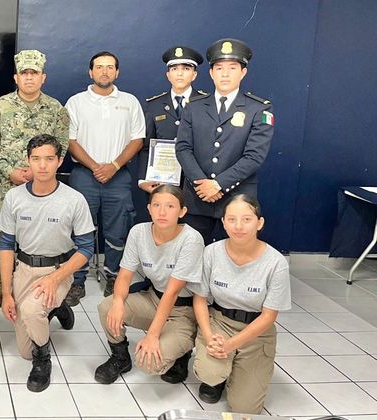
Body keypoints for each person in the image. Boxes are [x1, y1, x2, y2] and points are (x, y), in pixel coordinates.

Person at [0, 134, 94, 392]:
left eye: (49, 159)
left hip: (58, 270)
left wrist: (54, 279)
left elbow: (86, 248)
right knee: (23, 351)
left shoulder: (74, 200)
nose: (42, 166)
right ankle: (55, 310)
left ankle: (43, 360)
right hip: (25, 269)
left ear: (60, 161)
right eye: (36, 159)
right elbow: (6, 246)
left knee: (31, 313)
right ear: (28, 161)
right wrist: (7, 293)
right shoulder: (14, 198)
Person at [189, 194, 290, 414]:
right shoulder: (211, 252)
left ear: (259, 223)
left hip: (256, 331)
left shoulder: (276, 263)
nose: (238, 226)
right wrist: (208, 337)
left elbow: (269, 316)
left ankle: (236, 371)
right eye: (232, 219)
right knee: (211, 372)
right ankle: (217, 378)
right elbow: (199, 299)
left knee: (245, 409)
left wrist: (231, 345)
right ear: (223, 222)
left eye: (247, 219)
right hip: (220, 323)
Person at [94, 184, 204, 385]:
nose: (162, 212)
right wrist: (118, 302)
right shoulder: (139, 232)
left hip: (182, 311)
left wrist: (152, 336)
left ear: (182, 211)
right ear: (149, 208)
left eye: (170, 206)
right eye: (157, 205)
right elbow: (125, 275)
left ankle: (182, 353)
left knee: (148, 364)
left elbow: (172, 292)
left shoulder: (191, 239)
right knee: (106, 306)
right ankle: (120, 358)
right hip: (153, 299)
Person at [0, 49, 70, 308]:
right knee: (3, 234)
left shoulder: (56, 109)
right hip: (6, 183)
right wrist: (10, 171)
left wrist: (38, 172)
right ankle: (2, 286)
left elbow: (62, 146)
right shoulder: (1, 106)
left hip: (43, 186)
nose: (30, 78)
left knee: (41, 232)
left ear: (43, 78)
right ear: (16, 77)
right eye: (25, 73)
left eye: (35, 73)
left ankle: (38, 281)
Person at [175, 38, 274, 245]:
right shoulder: (193, 107)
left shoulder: (259, 109)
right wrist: (201, 184)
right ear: (211, 73)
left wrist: (218, 184)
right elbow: (183, 148)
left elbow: (254, 156)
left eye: (232, 68)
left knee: (235, 256)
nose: (225, 74)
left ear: (243, 72)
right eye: (219, 68)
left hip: (237, 198)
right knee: (191, 254)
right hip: (197, 197)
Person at [65, 51, 145, 301]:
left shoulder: (130, 101)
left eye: (110, 67)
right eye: (99, 67)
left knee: (118, 228)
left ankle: (113, 276)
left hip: (118, 175)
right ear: (91, 72)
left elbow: (137, 139)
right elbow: (70, 140)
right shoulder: (76, 102)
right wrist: (95, 166)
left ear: (117, 72)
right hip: (83, 175)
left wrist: (113, 165)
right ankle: (77, 280)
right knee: (79, 228)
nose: (104, 71)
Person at [139, 46, 208, 194]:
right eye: (174, 69)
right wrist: (143, 180)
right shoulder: (154, 105)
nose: (180, 73)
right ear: (168, 75)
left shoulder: (207, 103)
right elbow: (146, 147)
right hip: (162, 181)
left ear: (194, 75)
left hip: (197, 182)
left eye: (186, 69)